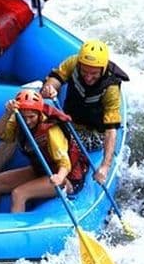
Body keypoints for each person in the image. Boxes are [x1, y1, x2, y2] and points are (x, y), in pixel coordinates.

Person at [0, 89, 87, 214]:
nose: (27, 121)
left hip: (66, 177)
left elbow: (65, 163)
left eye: (31, 117)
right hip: (42, 169)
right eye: (24, 117)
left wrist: (59, 177)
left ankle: (16, 227)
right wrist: (7, 114)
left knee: (19, 193)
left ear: (39, 114)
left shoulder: (51, 130)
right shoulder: (17, 119)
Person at [39, 40, 129, 184]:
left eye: (94, 73)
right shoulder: (73, 63)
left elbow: (110, 130)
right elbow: (56, 78)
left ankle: (68, 180)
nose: (88, 77)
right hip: (70, 121)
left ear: (103, 69)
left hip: (94, 133)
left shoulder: (111, 87)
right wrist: (50, 88)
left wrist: (105, 166)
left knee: (58, 141)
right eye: (84, 71)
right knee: (40, 129)